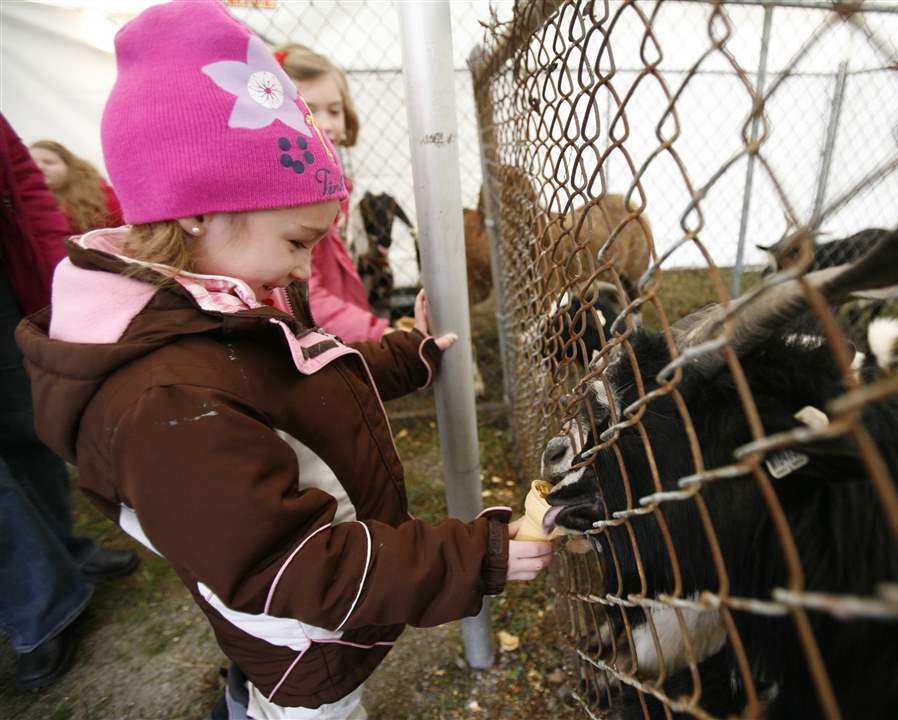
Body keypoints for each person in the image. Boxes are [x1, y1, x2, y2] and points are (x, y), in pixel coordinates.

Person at [14, 4, 552, 719]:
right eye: (298, 242)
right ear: (196, 213)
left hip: (299, 612)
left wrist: (406, 357)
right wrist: (473, 557)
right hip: (306, 635)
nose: (305, 272)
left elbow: (300, 380)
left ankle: (247, 690)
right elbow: (291, 569)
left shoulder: (218, 305)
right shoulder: (167, 401)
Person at [1, 112, 138, 691]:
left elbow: (21, 180)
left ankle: (64, 550)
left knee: (24, 428)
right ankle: (40, 607)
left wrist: (50, 277)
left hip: (10, 290)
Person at [274, 42, 389, 342]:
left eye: (335, 111)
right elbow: (301, 294)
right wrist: (377, 334)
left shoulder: (332, 187)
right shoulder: (287, 200)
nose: (325, 124)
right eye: (308, 109)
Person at [29, 140, 124, 234]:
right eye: (32, 163)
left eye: (48, 162)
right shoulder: (23, 201)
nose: (39, 167)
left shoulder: (101, 195)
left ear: (69, 166)